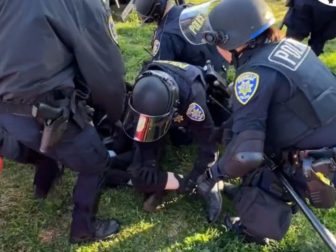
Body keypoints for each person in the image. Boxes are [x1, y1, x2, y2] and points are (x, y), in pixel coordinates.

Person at [179, 0, 336, 244]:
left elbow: (246, 155)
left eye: (216, 42)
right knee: (244, 137)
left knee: (252, 158)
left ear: (232, 41)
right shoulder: (289, 46)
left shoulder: (253, 75)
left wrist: (212, 175)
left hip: (318, 164)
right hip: (321, 136)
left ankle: (256, 229)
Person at [0, 0, 126, 244]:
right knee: (96, 163)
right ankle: (84, 229)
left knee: (44, 144)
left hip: (7, 116)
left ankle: (43, 183)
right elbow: (105, 71)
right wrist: (114, 115)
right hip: (49, 113)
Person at [120, 60, 222, 222]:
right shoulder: (145, 82)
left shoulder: (194, 102)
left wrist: (197, 174)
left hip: (187, 115)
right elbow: (141, 126)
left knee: (181, 140)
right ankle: (166, 183)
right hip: (163, 112)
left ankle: (203, 184)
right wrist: (149, 160)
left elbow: (209, 142)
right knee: (139, 173)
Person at [134, 0, 229, 128]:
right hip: (219, 72)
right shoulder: (188, 10)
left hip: (201, 90)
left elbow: (159, 75)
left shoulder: (165, 35)